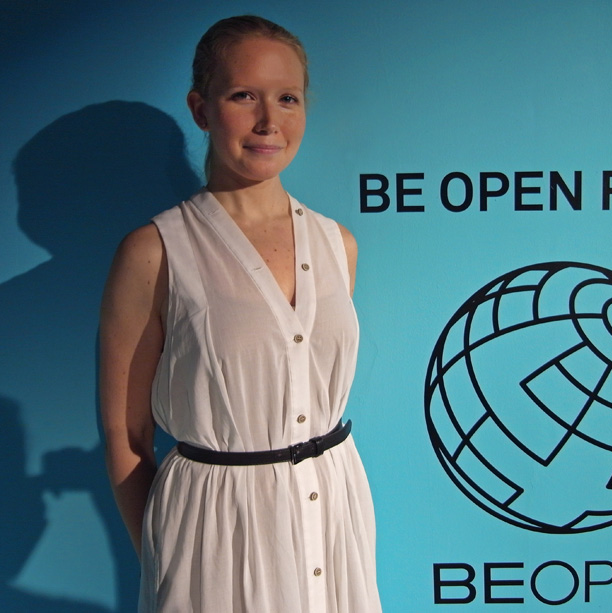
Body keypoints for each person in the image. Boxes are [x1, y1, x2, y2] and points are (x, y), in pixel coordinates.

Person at [99, 15, 381, 612]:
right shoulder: (155, 252)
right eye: (244, 96)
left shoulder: (338, 245)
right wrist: (168, 559)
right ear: (201, 109)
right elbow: (128, 435)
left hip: (334, 511)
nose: (269, 121)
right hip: (213, 537)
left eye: (287, 98)